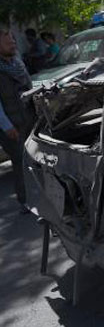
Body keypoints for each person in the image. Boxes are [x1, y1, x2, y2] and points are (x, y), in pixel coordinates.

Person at [0, 28, 34, 211]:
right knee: (21, 162)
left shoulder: (17, 63)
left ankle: (41, 197)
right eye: (8, 42)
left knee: (37, 158)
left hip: (29, 118)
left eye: (13, 41)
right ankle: (25, 201)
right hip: (11, 125)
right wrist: (6, 126)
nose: (13, 43)